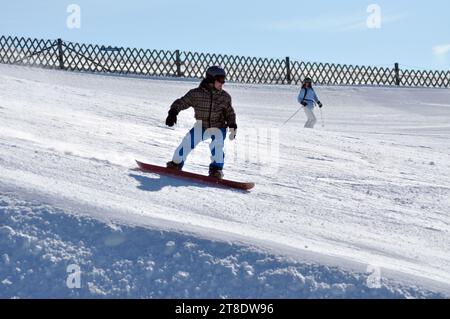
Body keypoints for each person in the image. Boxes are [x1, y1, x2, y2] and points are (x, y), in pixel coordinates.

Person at [165, 66, 237, 179]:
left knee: (217, 146)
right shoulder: (196, 94)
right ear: (211, 79)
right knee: (187, 142)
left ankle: (216, 170)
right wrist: (173, 112)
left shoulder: (224, 97)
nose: (222, 83)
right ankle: (176, 164)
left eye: (224, 80)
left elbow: (230, 113)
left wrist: (232, 125)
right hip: (201, 126)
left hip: (218, 127)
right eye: (220, 80)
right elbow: (182, 102)